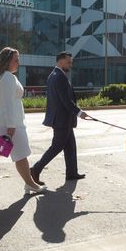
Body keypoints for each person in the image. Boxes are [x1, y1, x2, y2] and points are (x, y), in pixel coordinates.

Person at [0, 47, 47, 200]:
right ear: (7, 61)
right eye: (16, 60)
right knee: (21, 153)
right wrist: (11, 126)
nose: (18, 63)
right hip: (8, 123)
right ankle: (31, 184)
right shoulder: (7, 77)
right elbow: (8, 104)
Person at [30, 51, 89, 185]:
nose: (71, 65)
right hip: (61, 120)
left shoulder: (54, 75)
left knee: (70, 147)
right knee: (56, 147)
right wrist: (79, 113)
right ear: (60, 61)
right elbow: (65, 100)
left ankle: (72, 173)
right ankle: (36, 169)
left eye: (71, 62)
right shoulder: (60, 77)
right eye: (69, 62)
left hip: (62, 119)